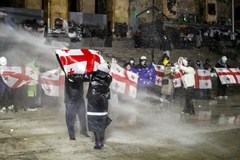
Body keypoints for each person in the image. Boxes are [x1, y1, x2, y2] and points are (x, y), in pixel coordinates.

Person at [70, 62, 112, 149]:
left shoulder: (93, 74)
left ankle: (98, 142)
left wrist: (71, 76)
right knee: (102, 121)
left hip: (93, 101)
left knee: (94, 121)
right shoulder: (109, 77)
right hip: (103, 102)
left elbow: (81, 77)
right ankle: (101, 140)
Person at [64, 71, 89, 140]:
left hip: (80, 99)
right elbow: (77, 78)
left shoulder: (80, 73)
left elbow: (86, 78)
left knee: (82, 116)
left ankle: (83, 131)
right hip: (70, 100)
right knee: (70, 118)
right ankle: (71, 135)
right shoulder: (69, 73)